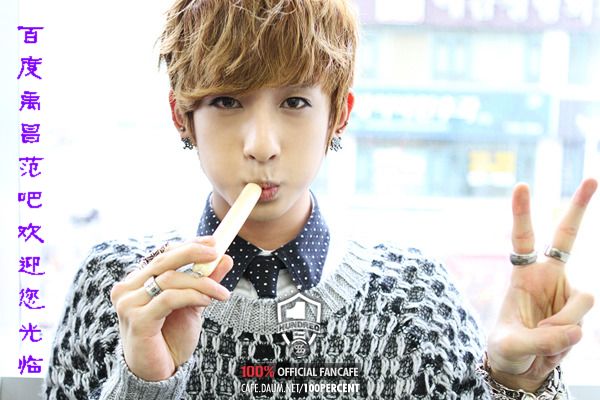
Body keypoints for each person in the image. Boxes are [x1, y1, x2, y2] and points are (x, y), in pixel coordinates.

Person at [43, 0, 597, 399]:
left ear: (339, 115)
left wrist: (514, 380)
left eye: (295, 102)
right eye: (228, 101)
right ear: (181, 115)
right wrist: (144, 384)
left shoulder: (413, 299)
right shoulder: (116, 288)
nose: (262, 145)